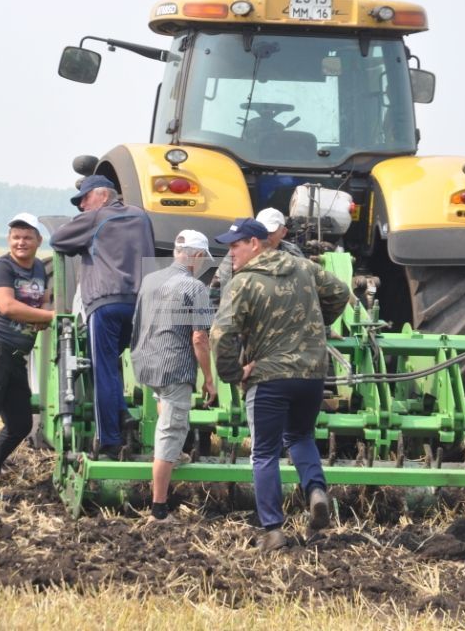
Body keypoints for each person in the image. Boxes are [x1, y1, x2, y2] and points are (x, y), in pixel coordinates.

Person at [210, 217, 351, 551]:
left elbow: (221, 334)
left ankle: (273, 530)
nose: (231, 253)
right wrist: (316, 324)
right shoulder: (305, 268)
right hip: (312, 375)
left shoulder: (242, 283)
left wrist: (233, 374)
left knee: (264, 454)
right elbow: (341, 293)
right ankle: (316, 491)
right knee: (301, 436)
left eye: (235, 245)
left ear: (255, 244)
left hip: (269, 378)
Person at [50, 175, 155, 460]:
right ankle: (121, 411)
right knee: (116, 363)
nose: (82, 205)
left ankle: (109, 440)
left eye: (85, 198)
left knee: (103, 369)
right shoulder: (142, 217)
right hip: (140, 304)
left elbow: (57, 240)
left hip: (105, 303)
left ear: (104, 196)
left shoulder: (96, 217)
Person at [0, 213, 54, 498]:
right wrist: (51, 316)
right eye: (16, 237)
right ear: (9, 240)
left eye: (27, 237)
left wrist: (44, 315)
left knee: (21, 423)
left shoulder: (39, 268)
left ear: (39, 241)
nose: (21, 242)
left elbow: (43, 303)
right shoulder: (0, 268)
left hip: (16, 355)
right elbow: (7, 307)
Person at [130, 230, 217, 523]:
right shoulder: (195, 288)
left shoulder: (150, 280)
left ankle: (173, 454)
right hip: (175, 366)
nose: (204, 262)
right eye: (203, 256)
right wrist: (209, 377)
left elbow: (139, 321)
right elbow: (199, 337)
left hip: (146, 361)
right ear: (194, 255)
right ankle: (159, 509)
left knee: (163, 405)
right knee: (170, 432)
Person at [211, 207, 302, 305]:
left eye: (270, 232)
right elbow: (216, 290)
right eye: (261, 231)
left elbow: (304, 283)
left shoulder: (292, 252)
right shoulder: (239, 253)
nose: (265, 236)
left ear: (283, 232)